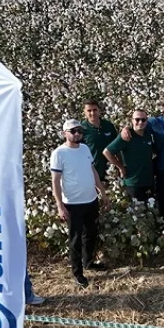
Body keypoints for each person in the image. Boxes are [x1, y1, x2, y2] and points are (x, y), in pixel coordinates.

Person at [50, 119, 111, 288]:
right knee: (75, 239)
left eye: (80, 131)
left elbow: (92, 172)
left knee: (90, 233)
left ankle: (88, 262)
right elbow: (55, 181)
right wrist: (60, 205)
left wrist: (103, 193)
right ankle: (78, 273)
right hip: (72, 203)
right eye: (73, 131)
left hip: (90, 199)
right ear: (65, 133)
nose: (77, 134)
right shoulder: (59, 153)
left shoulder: (84, 149)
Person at [103, 110, 155, 202]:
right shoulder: (126, 136)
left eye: (143, 120)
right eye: (137, 119)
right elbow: (107, 152)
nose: (140, 122)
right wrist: (120, 167)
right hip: (133, 183)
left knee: (149, 211)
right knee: (136, 212)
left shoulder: (148, 134)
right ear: (132, 120)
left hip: (148, 181)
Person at [80, 99, 117, 182]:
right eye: (89, 111)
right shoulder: (81, 129)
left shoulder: (108, 126)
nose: (92, 113)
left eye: (95, 110)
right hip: (92, 172)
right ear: (84, 112)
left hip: (111, 170)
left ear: (99, 110)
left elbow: (117, 147)